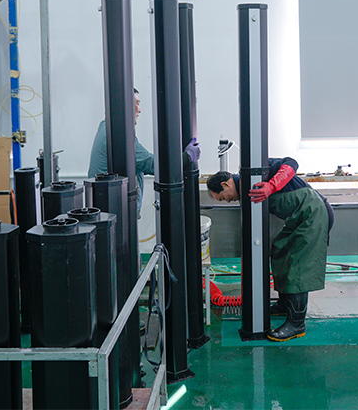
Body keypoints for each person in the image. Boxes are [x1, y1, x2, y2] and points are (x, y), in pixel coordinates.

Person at [207, 157, 334, 342]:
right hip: (299, 218)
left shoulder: (256, 170)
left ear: (225, 184)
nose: (227, 201)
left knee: (297, 266)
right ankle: (284, 304)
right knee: (280, 251)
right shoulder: (246, 189)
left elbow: (291, 163)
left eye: (222, 197)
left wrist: (271, 186)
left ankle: (296, 324)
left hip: (314, 212)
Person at [89, 88, 201, 212]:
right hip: (115, 210)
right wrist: (187, 157)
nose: (140, 110)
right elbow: (151, 164)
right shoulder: (117, 133)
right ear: (124, 106)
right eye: (137, 104)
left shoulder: (108, 127)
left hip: (110, 207)